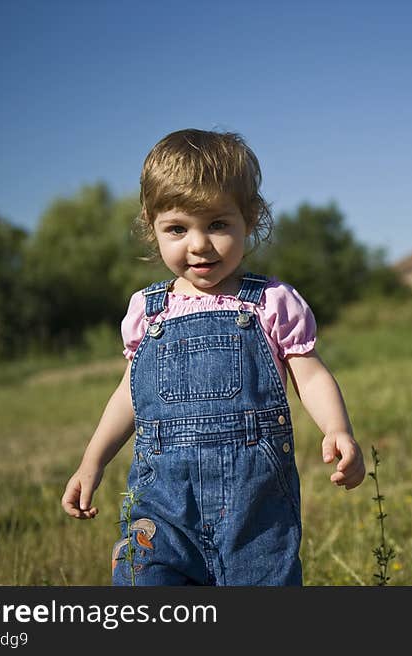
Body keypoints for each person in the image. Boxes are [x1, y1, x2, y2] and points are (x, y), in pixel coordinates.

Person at [61, 128, 365, 586]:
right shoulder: (147, 311)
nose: (199, 244)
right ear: (152, 225)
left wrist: (338, 430)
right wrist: (92, 461)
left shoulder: (270, 302)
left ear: (250, 218)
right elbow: (130, 394)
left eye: (218, 225)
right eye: (178, 229)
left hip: (255, 506)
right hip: (161, 506)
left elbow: (310, 374)